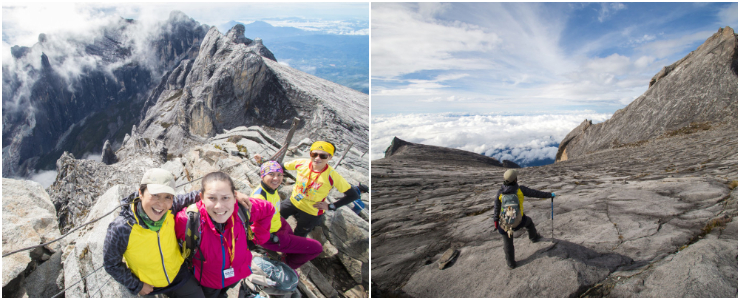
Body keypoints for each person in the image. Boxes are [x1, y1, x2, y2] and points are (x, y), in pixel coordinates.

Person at [103, 168, 204, 297]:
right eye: (155, 195)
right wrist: (137, 285)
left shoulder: (171, 208)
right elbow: (110, 264)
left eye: (167, 197)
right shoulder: (122, 228)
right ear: (141, 193)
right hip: (149, 287)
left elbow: (193, 197)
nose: (161, 203)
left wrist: (229, 193)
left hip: (179, 275)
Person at [174, 171, 274, 298]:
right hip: (208, 280)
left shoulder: (243, 208)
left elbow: (268, 209)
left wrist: (256, 239)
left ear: (235, 196)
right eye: (212, 198)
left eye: (225, 198)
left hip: (237, 273)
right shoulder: (188, 220)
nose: (219, 206)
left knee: (223, 292)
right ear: (202, 197)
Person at [256, 141, 359, 237]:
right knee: (274, 218)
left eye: (323, 156)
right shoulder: (302, 163)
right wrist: (264, 161)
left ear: (330, 157)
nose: (317, 158)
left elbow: (353, 195)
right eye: (314, 154)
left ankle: (289, 253)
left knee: (299, 234)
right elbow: (279, 167)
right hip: (293, 201)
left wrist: (331, 206)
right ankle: (270, 239)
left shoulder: (332, 176)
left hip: (311, 211)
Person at [251, 160, 323, 269]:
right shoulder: (259, 198)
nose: (276, 178)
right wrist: (272, 238)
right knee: (317, 248)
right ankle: (287, 264)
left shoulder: (270, 188)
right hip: (272, 235)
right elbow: (253, 226)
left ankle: (288, 253)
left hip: (278, 224)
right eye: (271, 174)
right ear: (262, 176)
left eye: (279, 174)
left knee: (296, 240)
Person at [492, 169, 556, 269]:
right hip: (519, 221)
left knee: (507, 242)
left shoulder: (500, 192)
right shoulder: (520, 190)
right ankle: (533, 238)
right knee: (529, 223)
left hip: (505, 223)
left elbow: (496, 207)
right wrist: (549, 195)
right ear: (515, 179)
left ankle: (511, 264)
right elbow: (535, 193)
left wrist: (496, 220)